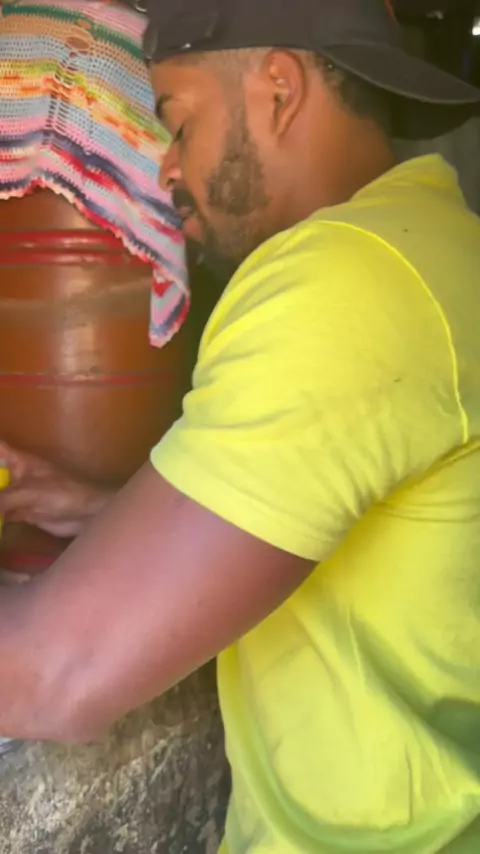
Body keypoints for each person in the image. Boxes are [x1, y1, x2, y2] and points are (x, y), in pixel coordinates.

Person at [1, 0, 480, 852]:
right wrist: (93, 507)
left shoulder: (342, 281)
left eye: (179, 124)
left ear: (280, 92)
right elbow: (306, 511)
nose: (166, 168)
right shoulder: (438, 245)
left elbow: (53, 677)